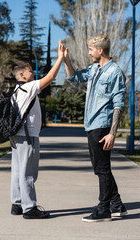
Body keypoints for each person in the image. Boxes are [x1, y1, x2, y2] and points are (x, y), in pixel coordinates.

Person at [62, 34, 127, 222]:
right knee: (101, 168)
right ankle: (117, 205)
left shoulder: (114, 72)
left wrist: (112, 134)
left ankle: (104, 208)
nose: (89, 52)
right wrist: (66, 59)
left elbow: (118, 104)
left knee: (102, 169)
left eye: (91, 49)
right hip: (91, 125)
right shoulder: (94, 69)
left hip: (102, 126)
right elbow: (73, 77)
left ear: (100, 50)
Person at [10, 40, 64, 219]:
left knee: (18, 170)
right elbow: (49, 78)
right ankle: (29, 208)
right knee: (28, 172)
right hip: (28, 135)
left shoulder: (16, 91)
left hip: (17, 135)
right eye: (30, 70)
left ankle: (17, 204)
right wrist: (60, 58)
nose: (33, 72)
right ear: (22, 74)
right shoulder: (28, 87)